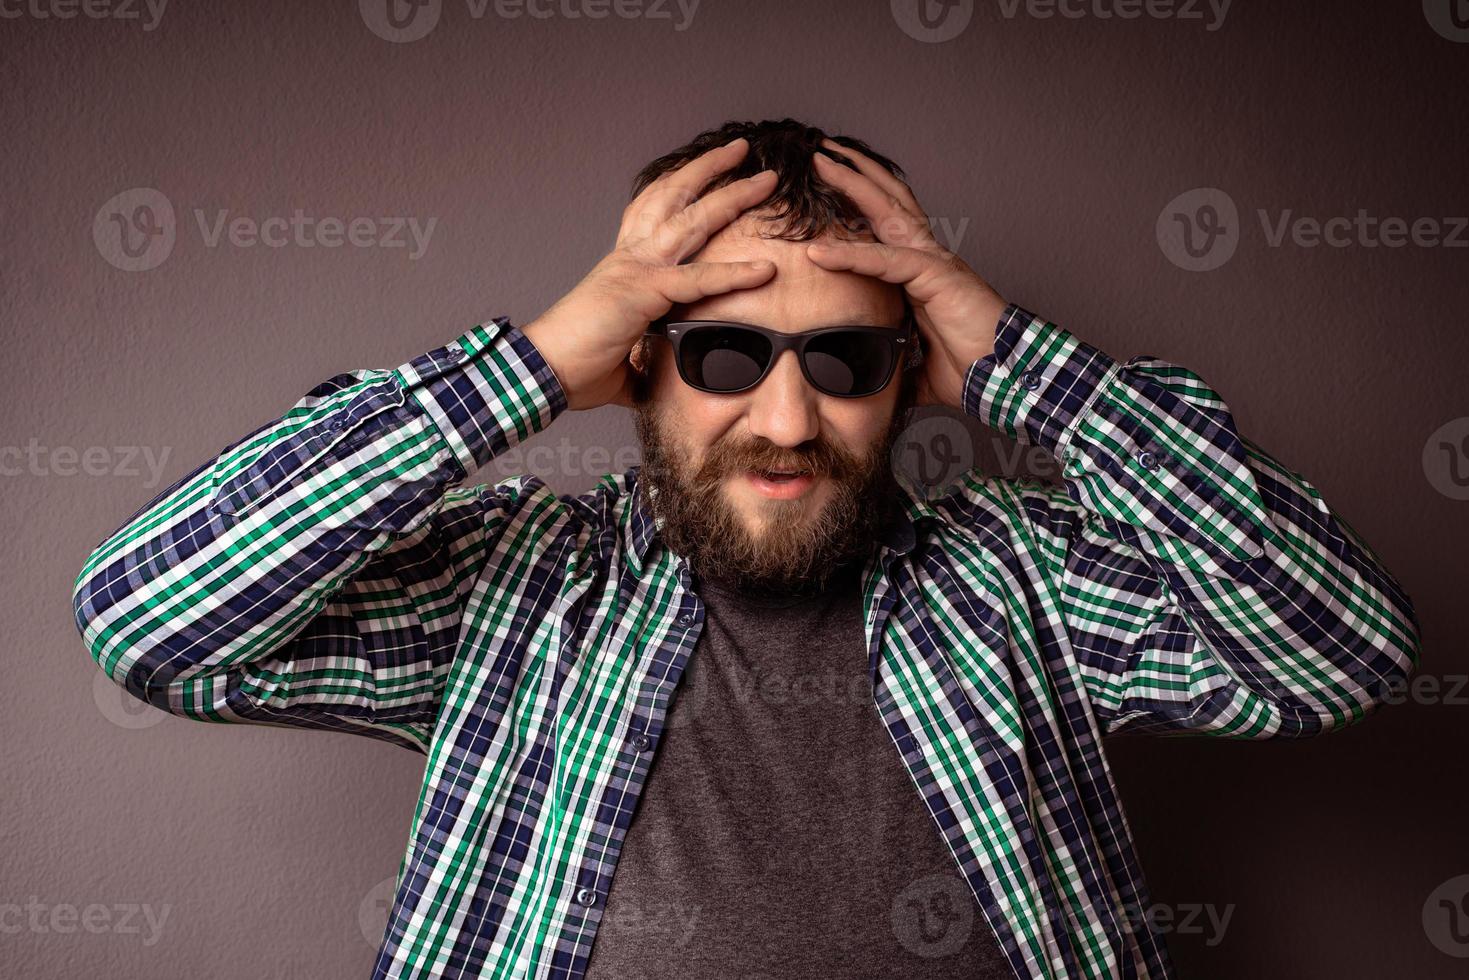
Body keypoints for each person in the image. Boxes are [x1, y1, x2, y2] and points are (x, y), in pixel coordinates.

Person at [72, 118, 1421, 980]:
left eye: (841, 359)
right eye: (723, 354)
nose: (786, 419)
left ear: (909, 375)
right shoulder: (513, 590)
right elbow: (148, 625)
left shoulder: (1030, 583)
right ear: (638, 366)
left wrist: (1032, 370)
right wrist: (526, 368)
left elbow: (1341, 655)